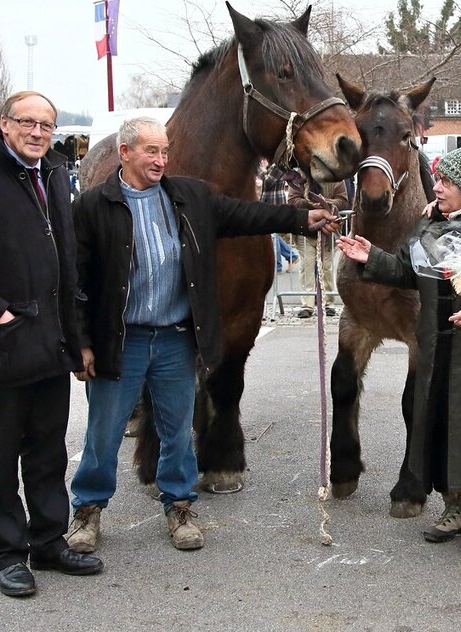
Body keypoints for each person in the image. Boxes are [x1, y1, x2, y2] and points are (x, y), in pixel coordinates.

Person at [66, 117, 338, 553]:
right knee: (103, 433)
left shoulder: (188, 196)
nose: (160, 161)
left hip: (176, 338)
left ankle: (179, 506)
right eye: (151, 152)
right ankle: (87, 511)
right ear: (125, 153)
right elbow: (76, 280)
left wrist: (305, 218)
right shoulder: (94, 206)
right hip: (123, 340)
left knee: (176, 432)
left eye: (165, 152)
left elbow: (247, 215)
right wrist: (80, 342)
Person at [338, 142, 461, 555]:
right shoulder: (429, 226)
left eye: (446, 181)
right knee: (444, 423)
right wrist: (370, 256)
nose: (438, 188)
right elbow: (409, 274)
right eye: (439, 179)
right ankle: (456, 505)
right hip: (437, 344)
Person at [0, 91, 104, 598]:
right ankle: (9, 552)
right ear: (4, 125)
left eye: (46, 125)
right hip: (4, 343)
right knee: (1, 457)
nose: (37, 132)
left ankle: (48, 540)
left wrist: (78, 339)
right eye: (27, 122)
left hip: (51, 343)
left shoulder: (53, 172)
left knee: (49, 451)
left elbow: (66, 260)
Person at [287, 179, 349, 318]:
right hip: (304, 230)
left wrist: (326, 203)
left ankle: (328, 304)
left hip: (328, 231)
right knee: (307, 267)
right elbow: (292, 200)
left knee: (326, 268)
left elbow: (343, 200)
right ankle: (307, 305)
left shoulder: (336, 177)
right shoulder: (300, 176)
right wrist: (312, 203)